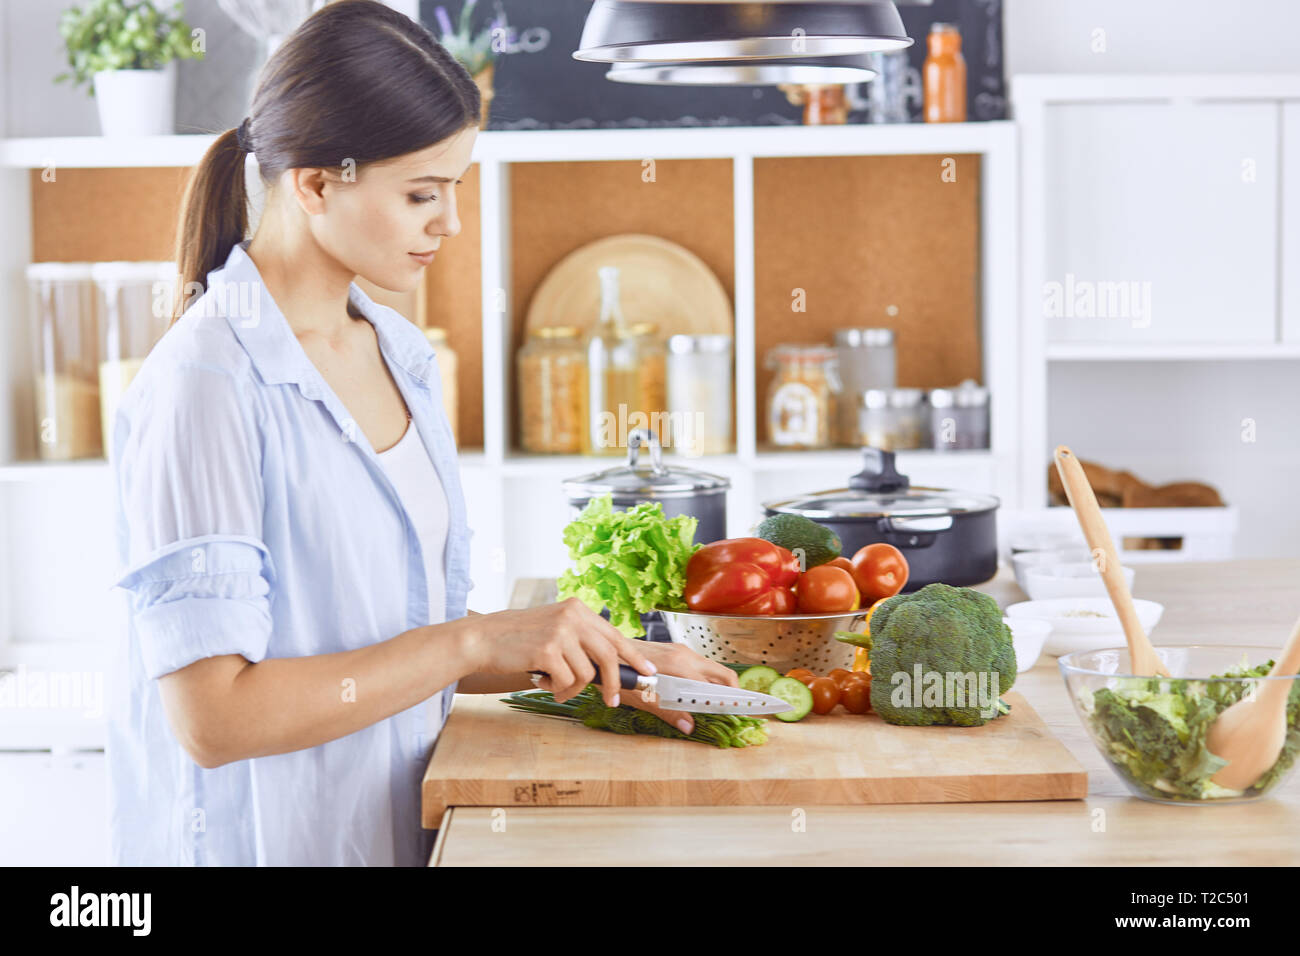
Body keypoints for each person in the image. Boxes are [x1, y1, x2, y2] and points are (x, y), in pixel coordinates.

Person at [107, 0, 737, 867]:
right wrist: (476, 638)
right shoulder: (207, 385)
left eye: (456, 190)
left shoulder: (397, 353)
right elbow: (214, 719)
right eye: (420, 195)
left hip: (401, 833)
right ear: (317, 183)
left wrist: (607, 659)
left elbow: (393, 638)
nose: (451, 223)